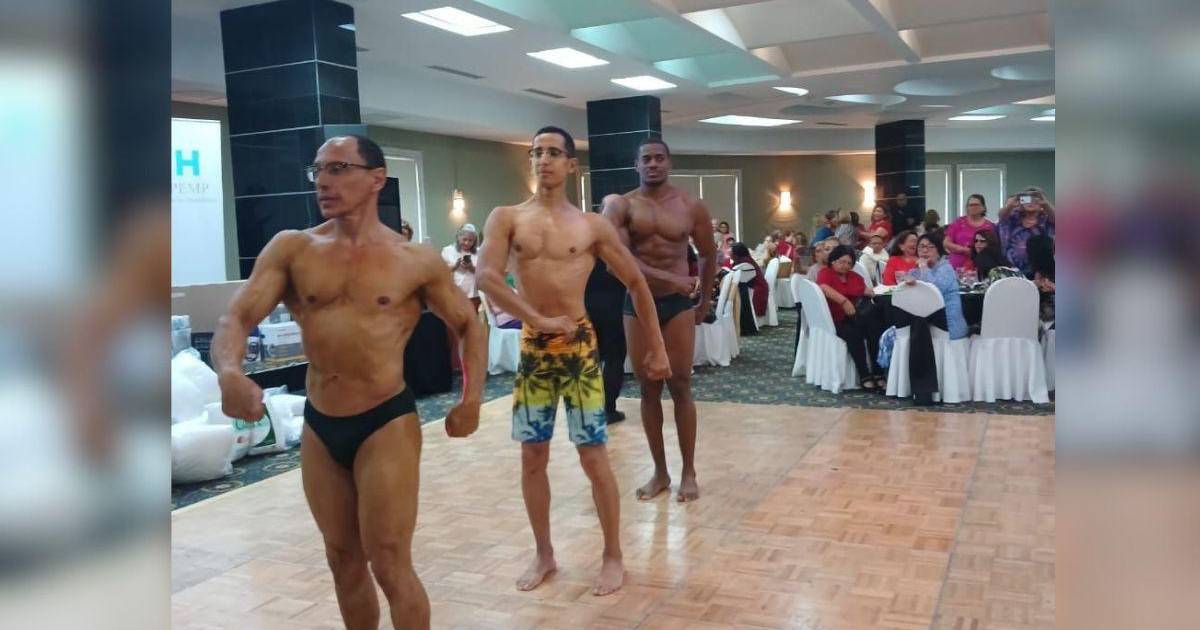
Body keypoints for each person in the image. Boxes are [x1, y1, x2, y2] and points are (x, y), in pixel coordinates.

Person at [211, 134, 486, 630]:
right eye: (317, 170)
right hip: (321, 424)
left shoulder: (414, 259)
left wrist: (472, 400)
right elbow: (237, 318)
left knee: (390, 562)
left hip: (386, 420)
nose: (323, 180)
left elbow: (469, 324)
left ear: (377, 179)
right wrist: (230, 372)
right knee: (342, 558)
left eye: (338, 168)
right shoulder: (293, 249)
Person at [477, 126, 671, 598]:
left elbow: (636, 281)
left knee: (593, 455)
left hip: (580, 347)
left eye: (553, 153)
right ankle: (544, 553)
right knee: (532, 455)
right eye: (536, 152)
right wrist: (538, 319)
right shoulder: (507, 218)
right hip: (535, 349)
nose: (543, 160)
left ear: (570, 165)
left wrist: (657, 345)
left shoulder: (591, 226)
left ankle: (613, 555)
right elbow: (486, 276)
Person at [602, 134, 718, 505]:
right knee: (648, 388)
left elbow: (709, 254)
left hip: (677, 306)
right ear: (636, 165)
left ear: (669, 163)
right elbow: (616, 260)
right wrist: (672, 278)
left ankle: (689, 472)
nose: (652, 164)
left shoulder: (690, 206)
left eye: (659, 158)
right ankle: (660, 472)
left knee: (681, 385)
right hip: (638, 303)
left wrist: (705, 299)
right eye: (646, 159)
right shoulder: (623, 206)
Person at [817, 245, 886, 389]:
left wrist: (879, 291)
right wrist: (844, 301)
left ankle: (878, 372)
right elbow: (823, 288)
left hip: (857, 316)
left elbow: (867, 291)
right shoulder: (826, 273)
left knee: (875, 329)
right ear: (833, 261)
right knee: (854, 333)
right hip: (835, 319)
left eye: (849, 263)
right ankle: (864, 374)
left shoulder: (855, 277)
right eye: (842, 261)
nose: (845, 266)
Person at [903, 234, 968, 340]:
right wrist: (906, 279)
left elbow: (934, 290)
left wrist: (924, 267)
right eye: (921, 247)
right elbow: (905, 288)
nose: (925, 250)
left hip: (949, 327)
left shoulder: (946, 268)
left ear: (938, 251)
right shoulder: (916, 270)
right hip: (928, 325)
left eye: (930, 247)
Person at [998, 187, 1056, 276]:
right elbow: (1002, 215)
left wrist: (1046, 204)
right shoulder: (1014, 218)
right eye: (1027, 199)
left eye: (1035, 199)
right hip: (1013, 271)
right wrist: (1011, 204)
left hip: (1041, 272)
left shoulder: (1046, 219)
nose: (1031, 202)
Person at [943, 194, 995, 269]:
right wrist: (963, 250)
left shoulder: (989, 226)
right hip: (956, 266)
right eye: (970, 205)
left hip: (981, 266)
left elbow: (993, 248)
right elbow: (946, 243)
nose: (973, 207)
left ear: (983, 207)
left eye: (976, 205)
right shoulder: (958, 222)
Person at [441, 223, 480, 307]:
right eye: (464, 239)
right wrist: (454, 266)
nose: (467, 243)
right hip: (454, 294)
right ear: (458, 237)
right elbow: (441, 272)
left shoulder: (479, 252)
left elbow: (483, 274)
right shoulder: (447, 251)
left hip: (474, 294)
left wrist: (471, 268)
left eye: (471, 240)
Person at [728, 242, 770, 319]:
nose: (729, 254)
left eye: (730, 252)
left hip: (757, 288)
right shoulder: (743, 259)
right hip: (752, 286)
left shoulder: (745, 262)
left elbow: (735, 278)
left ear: (736, 253)